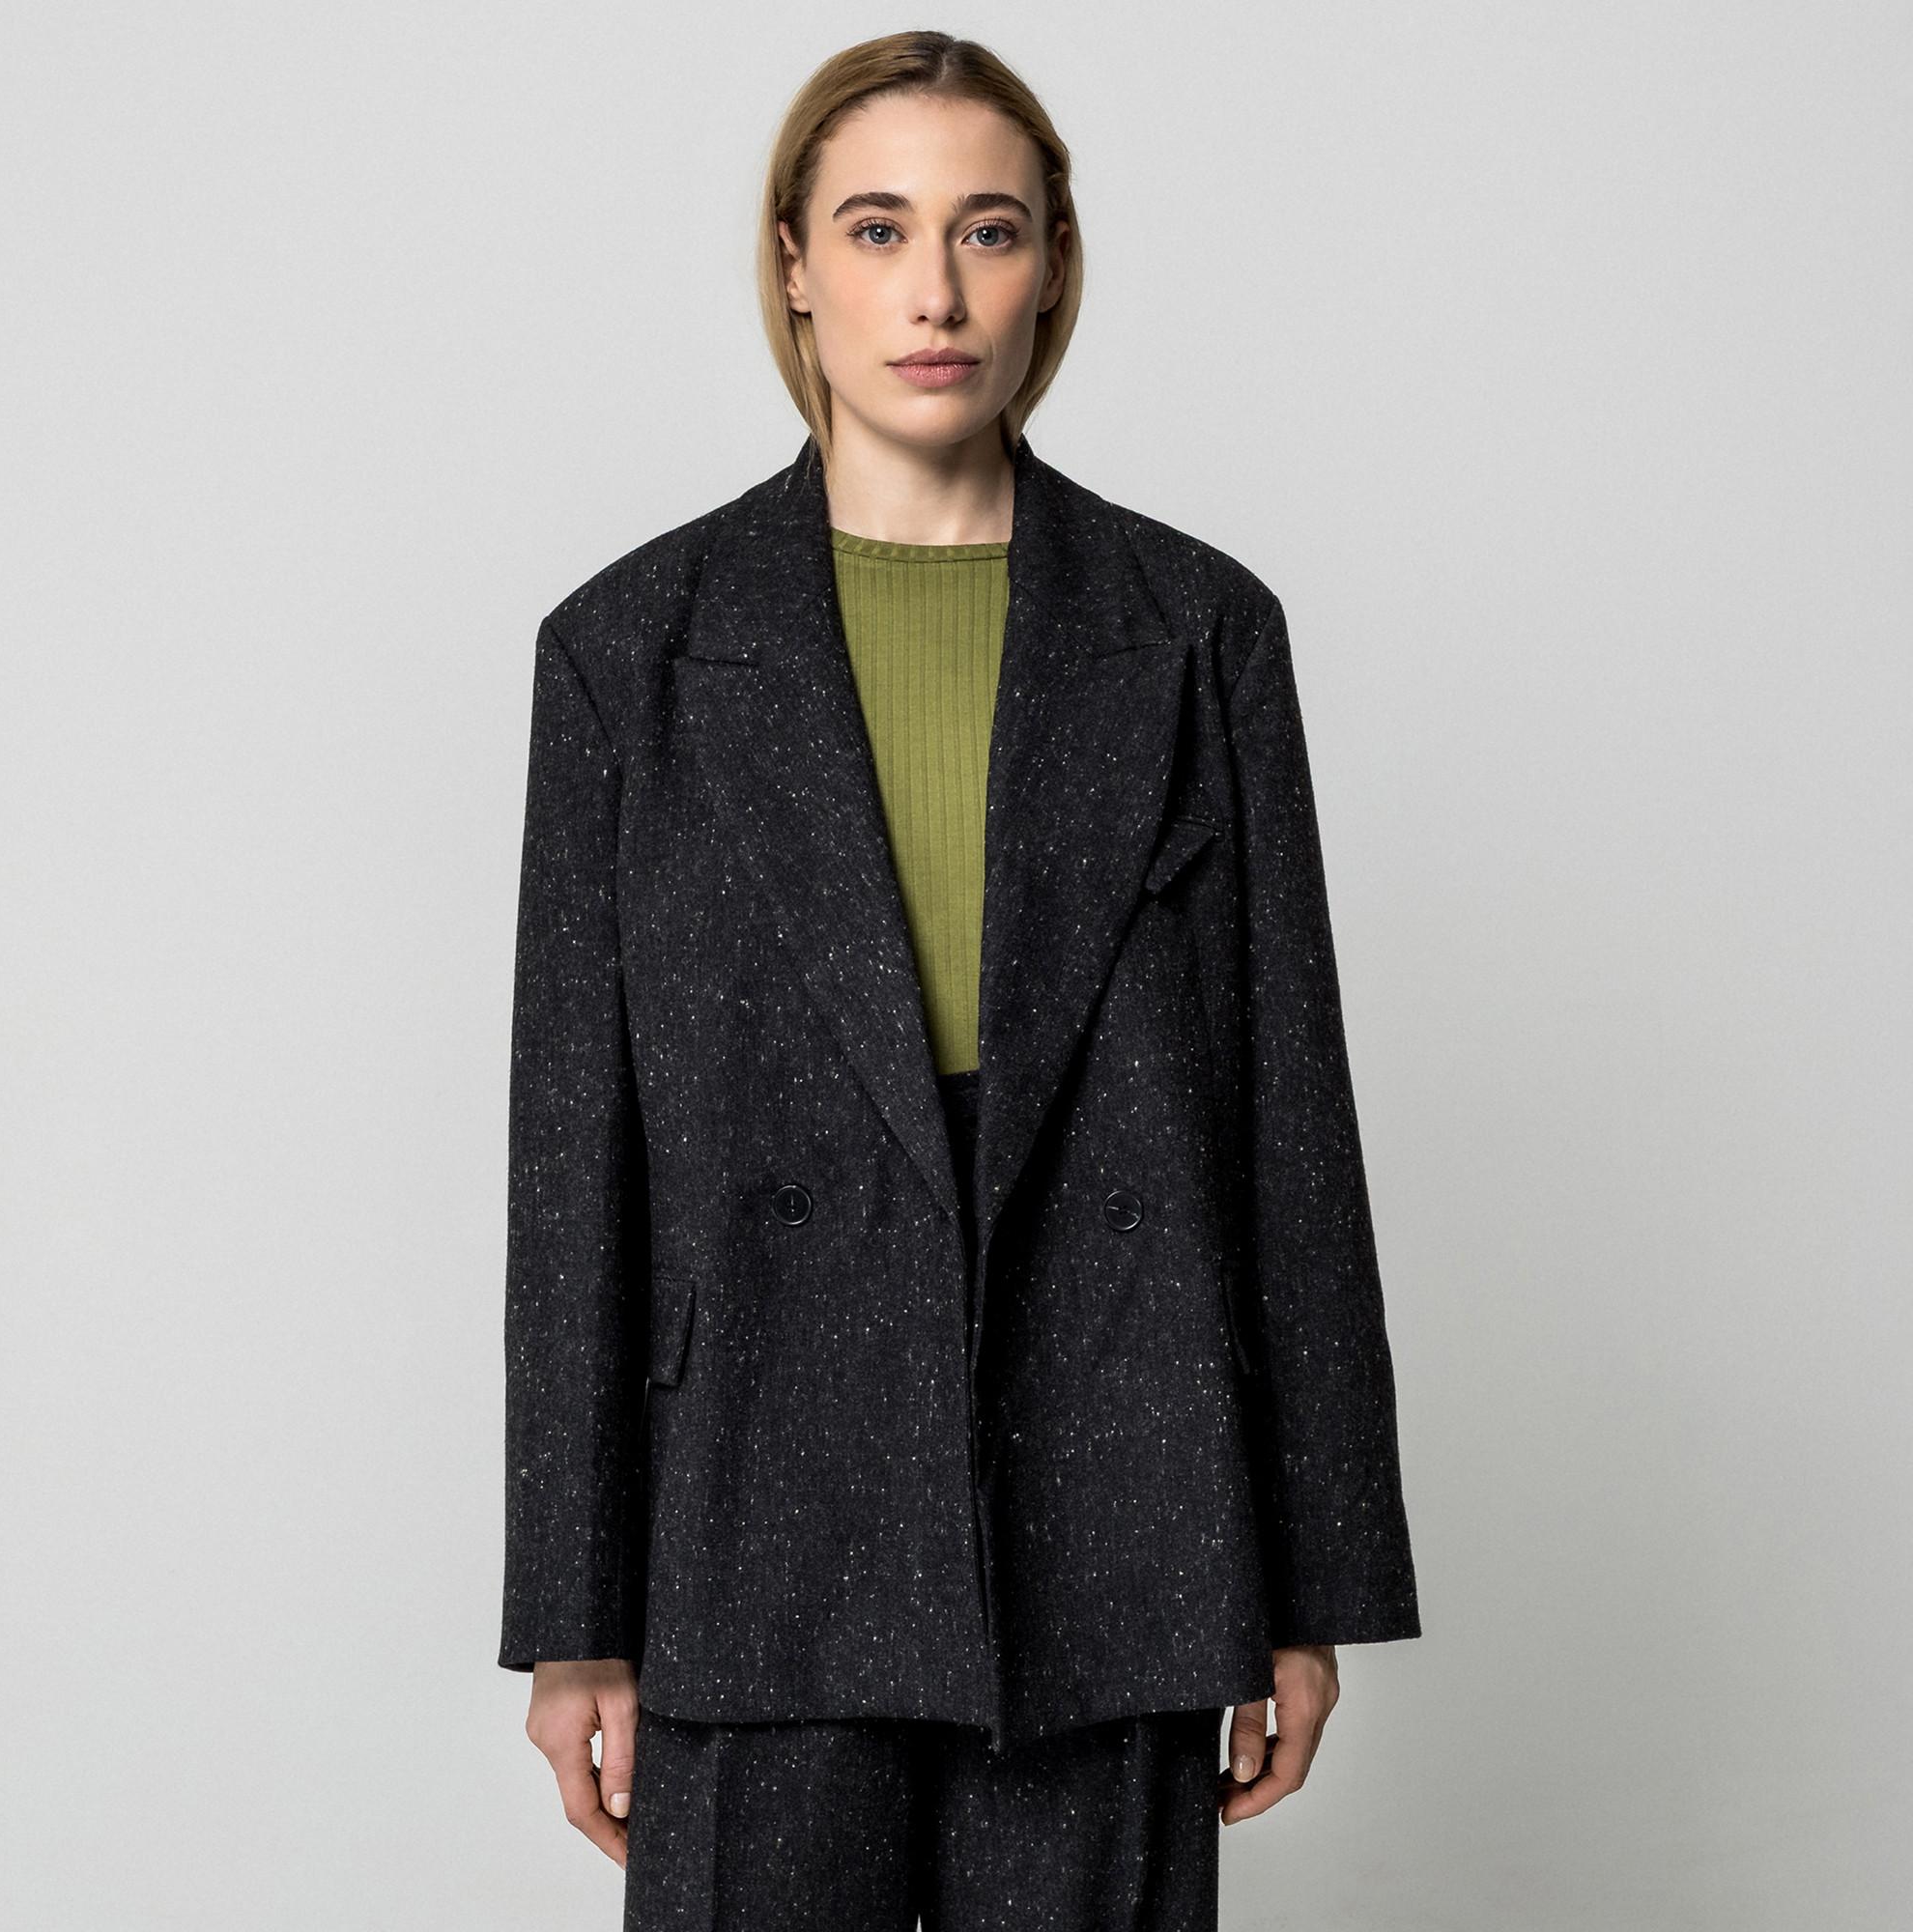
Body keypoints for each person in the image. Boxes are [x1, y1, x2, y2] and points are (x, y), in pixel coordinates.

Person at [500, 30, 1421, 1929]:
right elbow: (574, 1163)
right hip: (754, 1515)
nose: (934, 290)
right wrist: (573, 1611)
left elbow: (1291, 1123)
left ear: (1053, 265)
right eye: (877, 227)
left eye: (987, 230)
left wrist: (1309, 1573)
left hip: (1120, 1502)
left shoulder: (1198, 634)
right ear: (792, 263)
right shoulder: (627, 652)